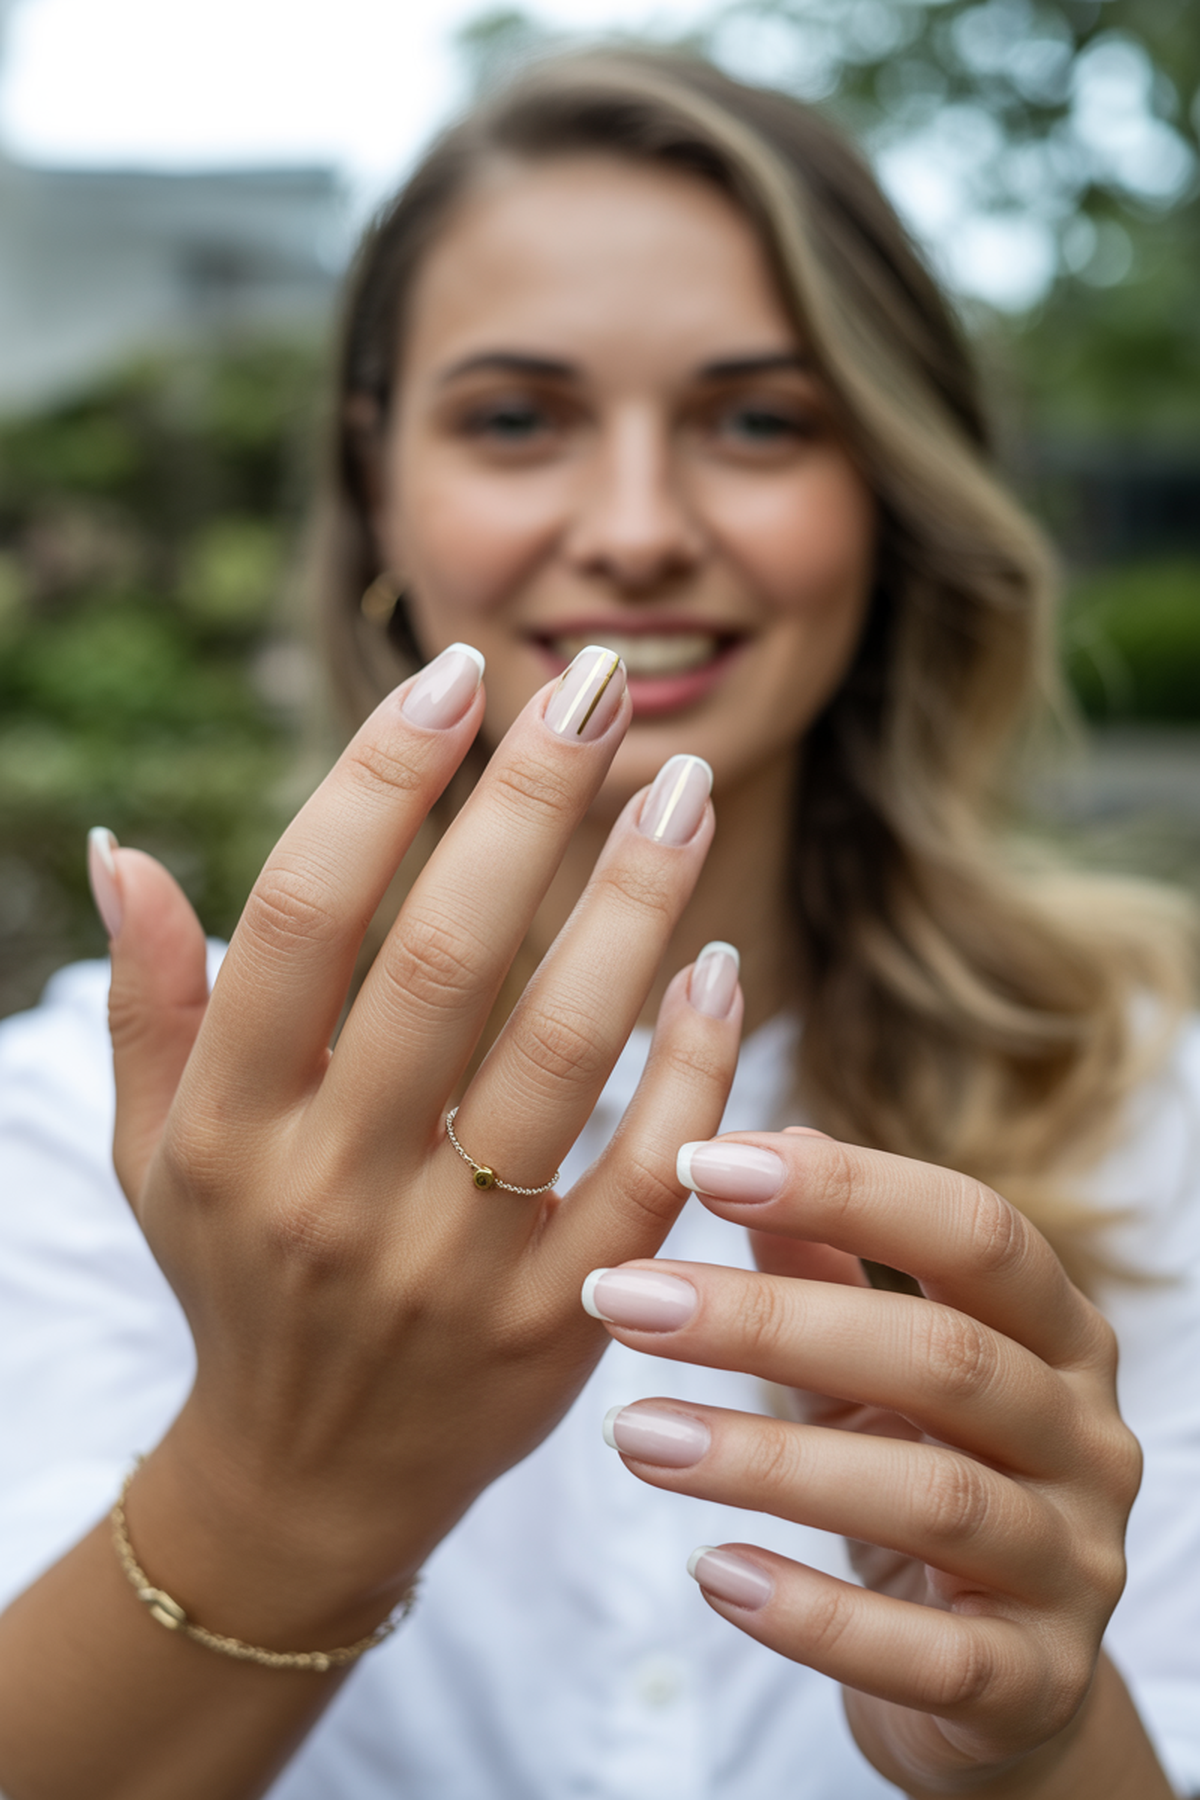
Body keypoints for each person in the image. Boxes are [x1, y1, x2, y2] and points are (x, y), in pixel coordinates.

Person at [0, 45, 1197, 1800]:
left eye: (758, 421)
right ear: (379, 478)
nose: (637, 532)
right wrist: (278, 1494)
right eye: (515, 419)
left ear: (889, 487)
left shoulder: (1160, 1112)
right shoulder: (81, 1129)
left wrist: (1040, 1740)